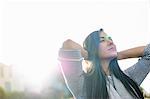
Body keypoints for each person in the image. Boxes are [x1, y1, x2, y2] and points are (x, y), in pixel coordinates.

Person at [58, 28, 150, 99]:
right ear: (92, 47)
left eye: (110, 39)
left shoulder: (129, 77)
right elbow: (68, 45)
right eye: (102, 40)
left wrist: (118, 55)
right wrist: (91, 55)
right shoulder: (82, 83)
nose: (110, 42)